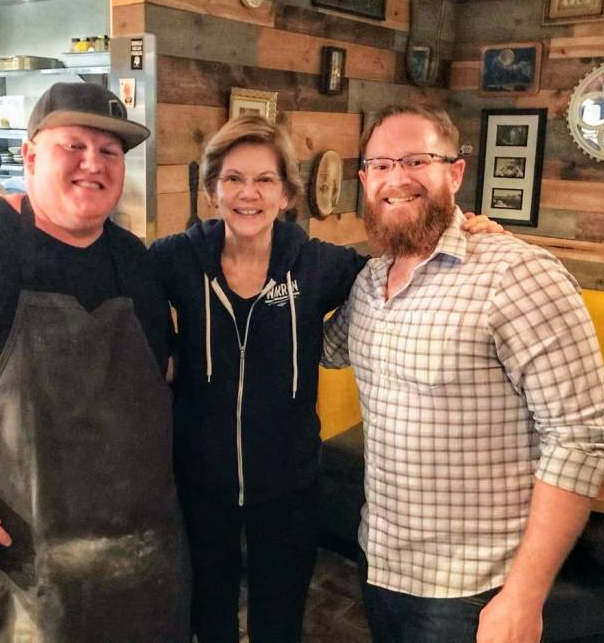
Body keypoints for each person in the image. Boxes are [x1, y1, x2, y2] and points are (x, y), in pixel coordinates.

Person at [149, 114, 503, 643]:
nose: (249, 194)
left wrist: (470, 228)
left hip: (289, 487)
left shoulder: (318, 265)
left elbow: (405, 262)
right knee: (208, 619)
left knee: (280, 624)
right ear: (211, 190)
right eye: (233, 179)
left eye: (265, 180)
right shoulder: (175, 259)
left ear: (288, 194)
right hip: (199, 483)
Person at [0, 82, 190, 641]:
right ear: (29, 154)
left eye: (109, 152)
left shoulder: (133, 260)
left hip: (128, 583)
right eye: (73, 145)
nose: (92, 164)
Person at [321, 103, 604, 643]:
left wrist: (524, 597)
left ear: (454, 172)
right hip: (381, 566)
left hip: (476, 591)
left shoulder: (518, 274)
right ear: (364, 180)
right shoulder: (368, 281)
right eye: (381, 165)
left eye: (417, 160)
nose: (397, 178)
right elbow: (324, 350)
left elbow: (580, 439)